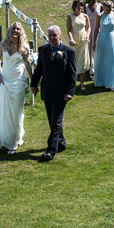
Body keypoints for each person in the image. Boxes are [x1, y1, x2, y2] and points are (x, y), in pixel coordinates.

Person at [30, 25, 76, 161]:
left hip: (61, 93)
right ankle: (61, 143)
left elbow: (72, 74)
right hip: (47, 91)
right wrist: (34, 85)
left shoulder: (68, 52)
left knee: (56, 121)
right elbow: (39, 70)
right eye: (50, 35)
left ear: (60, 36)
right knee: (52, 120)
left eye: (55, 35)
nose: (52, 38)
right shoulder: (43, 50)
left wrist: (70, 92)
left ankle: (51, 150)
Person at [0, 22, 33, 154]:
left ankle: (14, 141)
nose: (15, 31)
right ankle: (6, 139)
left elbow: (27, 65)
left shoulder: (25, 47)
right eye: (13, 28)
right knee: (5, 112)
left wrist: (32, 81)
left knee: (16, 113)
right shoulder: (3, 44)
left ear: (21, 31)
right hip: (5, 82)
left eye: (18, 29)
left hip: (18, 83)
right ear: (9, 30)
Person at [93, 0, 114, 90]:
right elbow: (96, 30)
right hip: (102, 39)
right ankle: (102, 80)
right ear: (103, 8)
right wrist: (94, 42)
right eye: (106, 9)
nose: (107, 11)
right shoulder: (99, 16)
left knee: (112, 60)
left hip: (112, 39)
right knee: (102, 59)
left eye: (109, 9)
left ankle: (112, 82)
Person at [66, 0, 91, 91]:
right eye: (78, 6)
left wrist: (87, 35)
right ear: (74, 7)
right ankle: (71, 83)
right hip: (75, 42)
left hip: (83, 41)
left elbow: (89, 27)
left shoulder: (85, 16)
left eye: (81, 5)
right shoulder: (70, 16)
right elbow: (68, 29)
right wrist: (71, 39)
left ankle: (82, 83)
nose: (80, 7)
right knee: (73, 63)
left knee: (83, 63)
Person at [84, 0, 101, 77]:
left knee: (95, 49)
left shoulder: (100, 6)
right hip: (88, 29)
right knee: (88, 48)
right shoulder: (86, 6)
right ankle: (88, 66)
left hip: (97, 30)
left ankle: (95, 68)